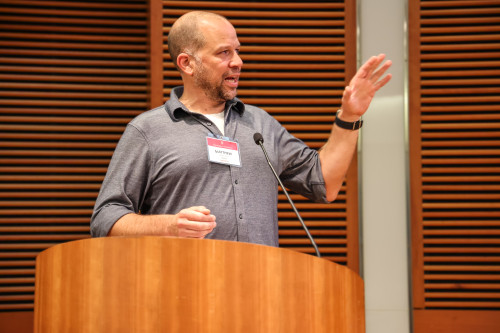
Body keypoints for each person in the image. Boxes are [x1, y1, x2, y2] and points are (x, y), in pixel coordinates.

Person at [90, 11, 391, 246]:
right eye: (224, 53)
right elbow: (106, 219)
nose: (238, 62)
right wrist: (167, 226)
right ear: (187, 63)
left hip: (260, 291)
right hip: (182, 290)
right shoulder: (148, 130)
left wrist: (349, 116)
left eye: (237, 51)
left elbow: (325, 183)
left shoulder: (259, 124)